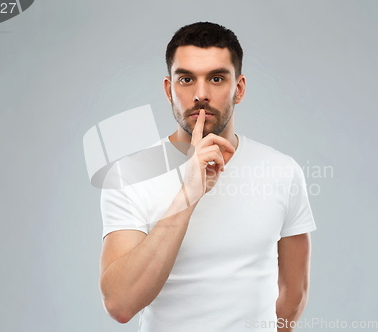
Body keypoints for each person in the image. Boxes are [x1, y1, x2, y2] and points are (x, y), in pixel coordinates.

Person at [99, 22, 316, 331]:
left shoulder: (282, 170)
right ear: (168, 89)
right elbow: (120, 304)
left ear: (238, 89)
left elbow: (294, 293)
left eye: (216, 78)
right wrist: (188, 195)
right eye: (186, 79)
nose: (201, 94)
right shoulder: (129, 175)